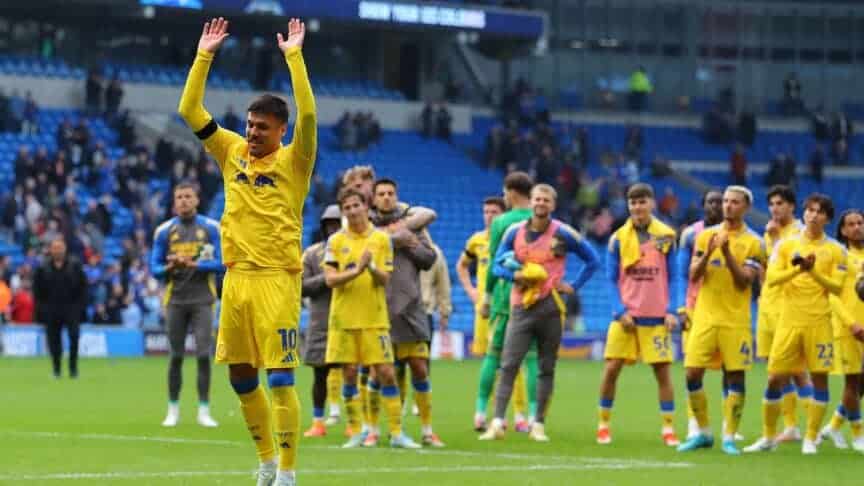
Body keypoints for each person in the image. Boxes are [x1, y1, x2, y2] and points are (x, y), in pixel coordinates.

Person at [177, 17, 316, 486]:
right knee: (240, 377)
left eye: (263, 127)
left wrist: (294, 57)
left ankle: (290, 472)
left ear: (281, 131)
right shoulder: (230, 150)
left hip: (277, 277)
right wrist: (204, 56)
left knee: (279, 379)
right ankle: (266, 461)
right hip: (235, 279)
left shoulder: (296, 161)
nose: (253, 132)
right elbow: (189, 109)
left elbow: (310, 116)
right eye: (251, 124)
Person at [479, 184, 600, 441]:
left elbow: (593, 260)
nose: (541, 203)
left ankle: (538, 424)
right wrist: (516, 275)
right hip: (521, 307)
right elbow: (497, 265)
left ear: (553, 205)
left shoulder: (564, 233)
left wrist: (573, 286)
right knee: (509, 364)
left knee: (547, 366)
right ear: (531, 202)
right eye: (537, 199)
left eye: (546, 200)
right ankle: (498, 422)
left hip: (552, 306)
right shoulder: (514, 231)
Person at [745, 194, 847, 456]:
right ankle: (768, 437)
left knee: (820, 379)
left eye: (819, 212)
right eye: (810, 210)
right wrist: (799, 270)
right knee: (774, 379)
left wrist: (812, 271)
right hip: (788, 321)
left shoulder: (837, 250)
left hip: (819, 322)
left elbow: (837, 287)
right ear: (805, 213)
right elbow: (773, 279)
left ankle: (810, 438)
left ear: (827, 218)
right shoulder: (786, 245)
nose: (813, 215)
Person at [323, 187, 421, 449]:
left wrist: (371, 267)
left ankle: (397, 433)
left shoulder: (381, 240)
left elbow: (386, 278)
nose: (353, 211)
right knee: (349, 373)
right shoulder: (335, 242)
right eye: (347, 208)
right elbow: (330, 279)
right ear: (343, 213)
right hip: (343, 319)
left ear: (366, 207)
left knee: (387, 373)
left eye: (356, 205)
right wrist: (356, 271)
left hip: (374, 318)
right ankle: (356, 431)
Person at [677, 186, 765, 456]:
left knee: (735, 376)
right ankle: (703, 432)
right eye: (725, 201)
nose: (727, 206)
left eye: (734, 202)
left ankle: (729, 436)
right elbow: (692, 275)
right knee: (692, 372)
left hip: (735, 320)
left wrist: (726, 253)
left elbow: (744, 282)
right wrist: (708, 253)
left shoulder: (754, 242)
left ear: (745, 207)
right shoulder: (704, 236)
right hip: (704, 316)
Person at [597, 183, 680, 447]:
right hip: (626, 319)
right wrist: (618, 310)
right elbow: (610, 279)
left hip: (656, 318)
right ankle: (603, 425)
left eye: (642, 202)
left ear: (652, 204)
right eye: (633, 203)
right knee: (611, 369)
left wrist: (672, 309)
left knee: (662, 373)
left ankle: (668, 429)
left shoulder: (666, 235)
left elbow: (676, 276)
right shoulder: (618, 238)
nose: (637, 207)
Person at [368, 178, 442, 447]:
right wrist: (389, 238)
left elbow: (429, 258)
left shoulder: (414, 225)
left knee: (420, 369)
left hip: (411, 308)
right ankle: (375, 430)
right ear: (374, 199)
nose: (386, 197)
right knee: (380, 373)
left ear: (396, 196)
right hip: (378, 309)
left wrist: (408, 242)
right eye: (381, 194)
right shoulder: (365, 225)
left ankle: (426, 430)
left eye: (390, 193)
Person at [150, 181, 224, 429]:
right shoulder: (164, 231)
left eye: (188, 196)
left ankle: (204, 410)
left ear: (197, 199)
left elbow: (222, 263)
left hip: (203, 299)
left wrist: (195, 265)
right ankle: (173, 409)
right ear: (174, 202)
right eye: (179, 197)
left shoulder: (211, 228)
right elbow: (155, 269)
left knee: (204, 354)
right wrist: (169, 267)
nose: (183, 200)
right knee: (176, 356)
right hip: (176, 300)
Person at [473, 172, 539, 433]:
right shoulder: (541, 220)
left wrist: (487, 297)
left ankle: (480, 412)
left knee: (494, 355)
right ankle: (534, 416)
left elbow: (493, 264)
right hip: (535, 296)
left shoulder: (501, 222)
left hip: (504, 296)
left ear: (511, 192)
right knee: (532, 359)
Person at [755, 185, 811, 444]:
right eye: (772, 204)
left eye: (780, 203)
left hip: (789, 309)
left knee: (797, 370)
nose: (775, 208)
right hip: (768, 306)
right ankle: (791, 427)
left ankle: (813, 428)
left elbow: (795, 268)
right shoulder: (770, 232)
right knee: (775, 371)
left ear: (791, 206)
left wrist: (777, 240)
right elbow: (769, 269)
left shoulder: (800, 233)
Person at [677, 190, 732, 441]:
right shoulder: (690, 234)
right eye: (711, 201)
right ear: (703, 206)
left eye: (720, 201)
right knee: (693, 368)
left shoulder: (736, 234)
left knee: (729, 370)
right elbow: (680, 274)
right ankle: (694, 423)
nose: (716, 205)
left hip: (725, 309)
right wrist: (680, 307)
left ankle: (727, 425)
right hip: (695, 308)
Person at [820, 209, 864, 452]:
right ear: (843, 230)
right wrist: (851, 323)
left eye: (860, 222)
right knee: (853, 381)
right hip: (849, 328)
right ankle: (858, 434)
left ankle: (834, 426)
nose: (857, 227)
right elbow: (832, 295)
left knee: (862, 382)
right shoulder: (839, 256)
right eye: (851, 224)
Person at [300, 205, 343, 438]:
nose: (334, 229)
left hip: (349, 318)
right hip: (321, 320)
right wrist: (327, 279)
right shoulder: (311, 254)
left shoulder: (354, 249)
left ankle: (356, 424)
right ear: (324, 227)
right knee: (319, 373)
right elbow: (301, 287)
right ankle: (318, 422)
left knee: (354, 371)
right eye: (330, 225)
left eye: (337, 224)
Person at [32, 238, 88, 379]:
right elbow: (37, 290)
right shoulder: (43, 268)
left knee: (74, 338)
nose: (58, 250)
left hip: (71, 308)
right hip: (51, 309)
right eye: (55, 248)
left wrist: (80, 306)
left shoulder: (75, 265)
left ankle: (73, 369)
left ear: (65, 249)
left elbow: (83, 287)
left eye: (60, 247)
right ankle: (56, 370)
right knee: (53, 341)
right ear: (51, 250)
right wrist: (42, 308)